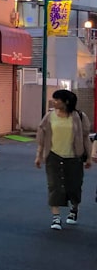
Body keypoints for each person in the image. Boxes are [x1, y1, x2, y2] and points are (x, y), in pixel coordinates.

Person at [35, 89, 92, 230]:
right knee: (54, 186)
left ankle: (74, 210)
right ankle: (56, 217)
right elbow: (42, 137)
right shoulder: (49, 116)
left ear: (66, 101)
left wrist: (89, 156)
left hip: (74, 157)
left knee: (74, 186)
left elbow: (85, 137)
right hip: (53, 156)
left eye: (57, 100)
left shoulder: (79, 116)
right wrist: (39, 155)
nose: (54, 102)